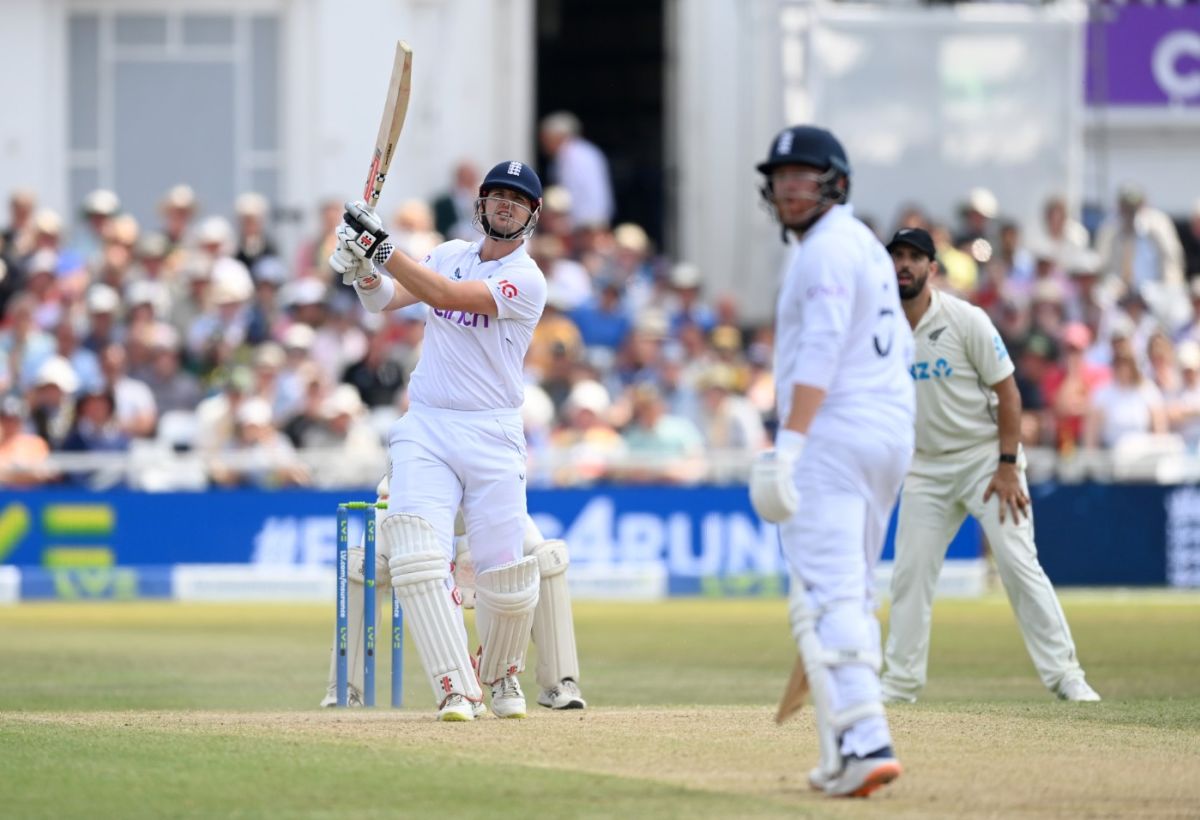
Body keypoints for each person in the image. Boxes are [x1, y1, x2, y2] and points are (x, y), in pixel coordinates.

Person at [330, 159, 550, 721]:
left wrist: (379, 244)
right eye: (496, 195)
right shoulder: (448, 251)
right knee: (416, 554)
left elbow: (450, 297)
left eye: (517, 199)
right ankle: (456, 687)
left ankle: (501, 677)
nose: (505, 204)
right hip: (427, 424)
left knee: (504, 576)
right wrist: (362, 270)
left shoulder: (527, 279)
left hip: (493, 431)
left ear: (531, 214)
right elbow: (387, 300)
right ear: (479, 204)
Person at [748, 125, 914, 798]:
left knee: (828, 595)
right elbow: (898, 343)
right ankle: (841, 753)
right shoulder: (868, 248)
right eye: (781, 176)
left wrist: (791, 443)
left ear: (835, 181)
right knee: (853, 588)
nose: (791, 186)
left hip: (833, 436)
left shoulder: (822, 252)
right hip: (885, 434)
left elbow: (819, 347)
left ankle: (867, 737)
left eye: (804, 174)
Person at [880, 226, 1101, 707]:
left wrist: (1005, 465)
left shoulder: (965, 319)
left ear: (931, 269)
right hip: (926, 468)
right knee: (910, 575)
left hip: (986, 461)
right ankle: (899, 685)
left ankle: (1067, 678)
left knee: (1019, 567)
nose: (904, 265)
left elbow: (1008, 392)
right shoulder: (878, 330)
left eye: (914, 257)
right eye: (896, 255)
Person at [320, 475, 587, 711]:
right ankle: (346, 687)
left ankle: (559, 682)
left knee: (549, 558)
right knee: (362, 567)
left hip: (484, 499)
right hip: (414, 501)